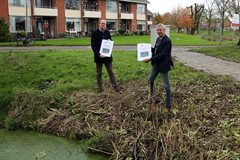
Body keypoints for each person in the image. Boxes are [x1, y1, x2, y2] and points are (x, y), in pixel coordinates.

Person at [143, 23, 174, 112]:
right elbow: (156, 49)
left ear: (164, 30)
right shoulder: (158, 39)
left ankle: (168, 104)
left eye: (160, 30)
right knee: (150, 79)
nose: (158, 32)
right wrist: (145, 48)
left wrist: (150, 59)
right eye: (157, 30)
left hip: (163, 65)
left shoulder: (167, 41)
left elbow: (162, 54)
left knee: (166, 85)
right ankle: (153, 97)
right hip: (156, 64)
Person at [91, 19, 120, 92]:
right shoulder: (95, 33)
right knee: (99, 73)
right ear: (99, 24)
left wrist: (111, 42)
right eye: (102, 23)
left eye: (104, 24)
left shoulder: (107, 32)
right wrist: (98, 54)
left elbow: (110, 40)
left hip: (107, 57)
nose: (103, 25)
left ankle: (116, 87)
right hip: (99, 57)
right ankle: (100, 88)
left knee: (111, 72)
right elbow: (93, 45)